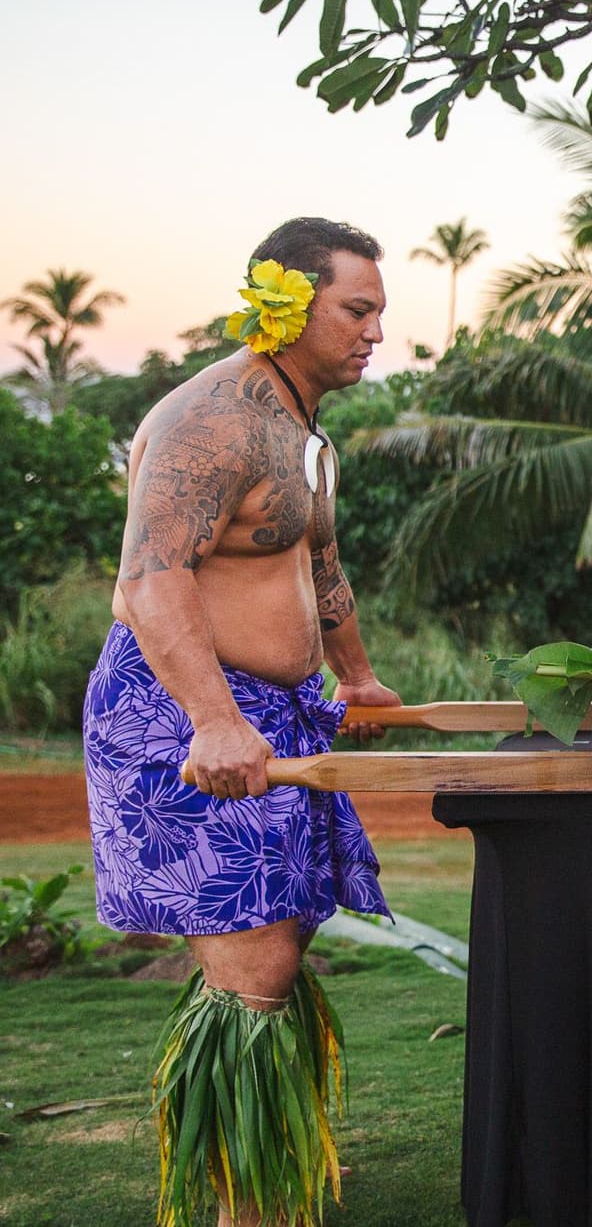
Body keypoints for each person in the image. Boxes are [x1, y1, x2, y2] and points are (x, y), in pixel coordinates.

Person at [83, 216, 402, 1227]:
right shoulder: (213, 418)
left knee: (276, 947)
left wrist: (356, 676)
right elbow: (150, 579)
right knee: (253, 964)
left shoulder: (302, 432)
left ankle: (270, 1189)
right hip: (185, 712)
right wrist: (213, 721)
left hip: (275, 711)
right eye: (357, 310)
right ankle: (242, 1213)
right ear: (290, 302)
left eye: (379, 312)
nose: (375, 332)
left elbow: (318, 564)